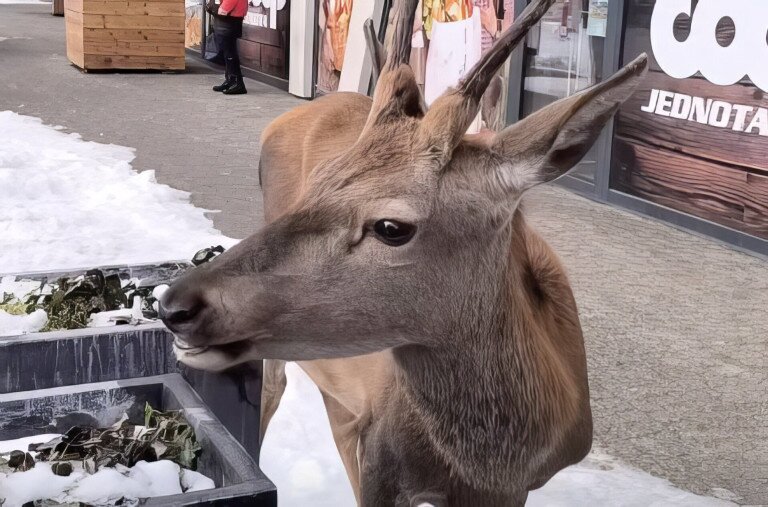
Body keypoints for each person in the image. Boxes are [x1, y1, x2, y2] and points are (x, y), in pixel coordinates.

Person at [207, 0, 248, 94]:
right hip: (226, 19)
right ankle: (231, 80)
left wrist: (217, 8)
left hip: (230, 19)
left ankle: (238, 83)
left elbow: (224, 8)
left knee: (230, 52)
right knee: (227, 52)